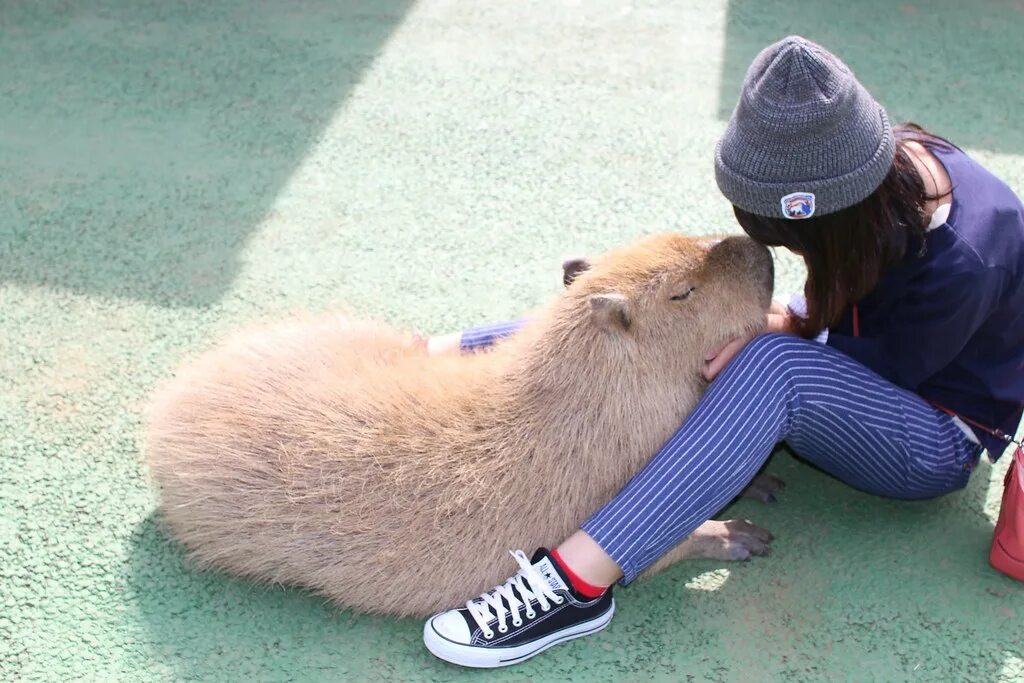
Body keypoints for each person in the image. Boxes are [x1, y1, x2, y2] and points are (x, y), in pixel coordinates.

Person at [420, 35, 1024, 668]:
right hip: (856, 339)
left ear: (832, 218)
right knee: (662, 310)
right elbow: (833, 315)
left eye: (796, 238)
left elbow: (877, 369)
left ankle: (572, 585)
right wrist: (769, 319)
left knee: (768, 365)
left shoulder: (962, 263)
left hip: (928, 432)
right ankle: (434, 350)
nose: (788, 249)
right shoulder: (875, 172)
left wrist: (771, 334)